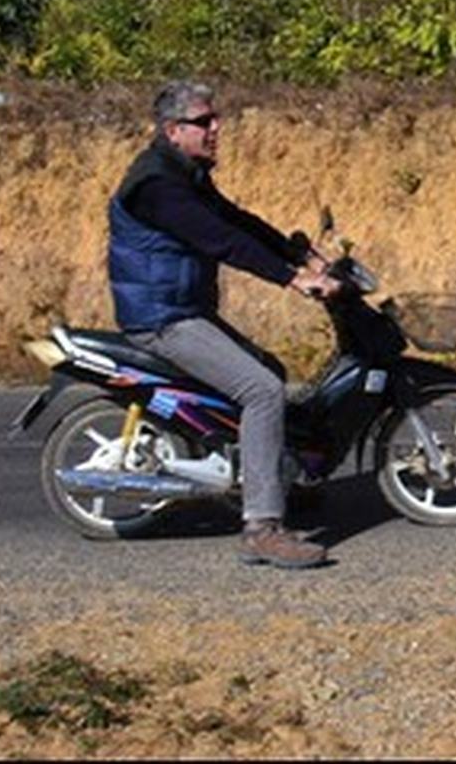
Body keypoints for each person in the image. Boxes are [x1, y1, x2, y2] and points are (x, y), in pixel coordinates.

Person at [107, 80, 340, 569]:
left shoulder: (185, 173)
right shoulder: (155, 186)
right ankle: (261, 527)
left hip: (185, 310)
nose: (216, 128)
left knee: (268, 370)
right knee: (261, 391)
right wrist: (291, 279)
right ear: (174, 130)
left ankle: (266, 481)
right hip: (162, 320)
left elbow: (236, 221)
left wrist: (295, 251)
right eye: (204, 122)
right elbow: (220, 241)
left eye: (215, 119)